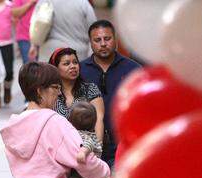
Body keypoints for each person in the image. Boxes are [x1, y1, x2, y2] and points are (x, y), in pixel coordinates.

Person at [80, 20, 140, 167]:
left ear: (115, 39)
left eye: (107, 38)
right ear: (91, 42)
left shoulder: (133, 70)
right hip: (88, 147)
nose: (103, 44)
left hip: (123, 146)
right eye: (97, 40)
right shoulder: (80, 71)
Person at [49, 47, 104, 143]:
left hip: (87, 148)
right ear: (55, 68)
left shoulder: (90, 89)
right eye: (66, 63)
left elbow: (99, 119)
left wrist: (97, 149)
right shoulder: (50, 93)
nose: (73, 66)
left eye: (75, 62)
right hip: (58, 149)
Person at [29, 0, 96, 63]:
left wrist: (33, 45)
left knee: (49, 75)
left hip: (49, 54)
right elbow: (94, 29)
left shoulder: (45, 1)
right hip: (77, 55)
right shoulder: (83, 3)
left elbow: (36, 23)